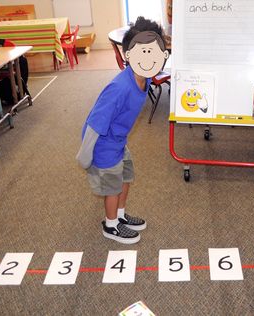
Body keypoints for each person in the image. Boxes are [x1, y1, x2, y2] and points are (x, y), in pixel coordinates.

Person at [76, 17, 169, 244]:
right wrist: (86, 154)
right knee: (112, 187)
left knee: (126, 177)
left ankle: (120, 216)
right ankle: (110, 226)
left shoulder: (145, 78)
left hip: (118, 140)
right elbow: (95, 123)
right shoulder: (119, 88)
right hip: (103, 144)